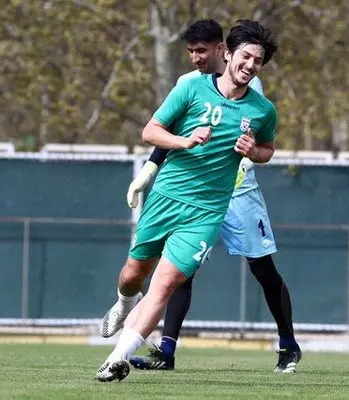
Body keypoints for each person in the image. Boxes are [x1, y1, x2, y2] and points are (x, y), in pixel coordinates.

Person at [96, 19, 279, 382]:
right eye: (245, 56)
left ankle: (117, 359)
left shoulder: (262, 110)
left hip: (207, 212)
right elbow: (150, 131)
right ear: (228, 53)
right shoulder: (191, 88)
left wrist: (253, 150)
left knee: (165, 285)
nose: (250, 65)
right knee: (133, 275)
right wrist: (184, 141)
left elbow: (268, 150)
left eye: (257, 61)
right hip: (166, 198)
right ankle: (125, 303)